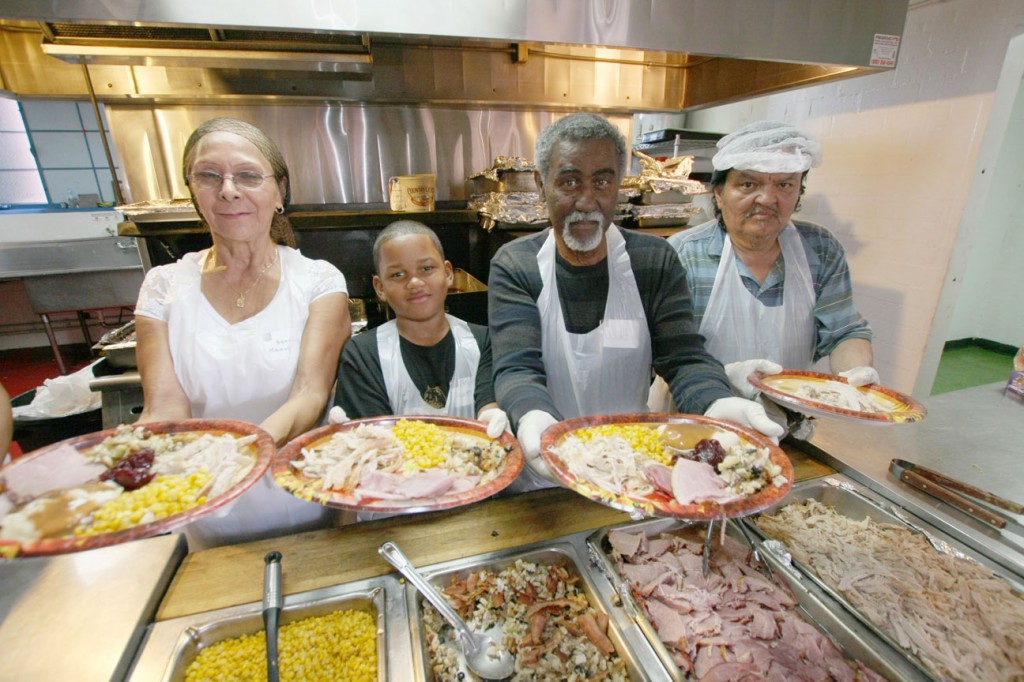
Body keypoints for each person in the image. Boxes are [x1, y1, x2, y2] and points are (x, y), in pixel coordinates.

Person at [488, 112, 783, 490]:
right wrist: (533, 419)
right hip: (544, 471)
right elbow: (517, 368)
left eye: (602, 181)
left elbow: (684, 357)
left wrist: (716, 403)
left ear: (619, 185)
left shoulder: (652, 260)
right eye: (569, 181)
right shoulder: (517, 265)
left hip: (631, 472)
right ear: (540, 184)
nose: (587, 200)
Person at [134, 117, 351, 549]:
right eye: (210, 176)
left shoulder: (318, 281)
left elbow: (309, 395)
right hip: (208, 506)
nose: (229, 190)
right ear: (193, 191)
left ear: (280, 191)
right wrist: (132, 460)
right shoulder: (164, 286)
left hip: (301, 494)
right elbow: (164, 406)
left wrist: (241, 455)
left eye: (248, 175)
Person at [666, 121, 876, 434]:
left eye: (784, 185)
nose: (767, 199)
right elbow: (667, 353)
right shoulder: (683, 254)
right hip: (700, 423)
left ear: (799, 192)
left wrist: (855, 375)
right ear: (720, 193)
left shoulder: (820, 249)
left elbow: (844, 331)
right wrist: (725, 376)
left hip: (785, 427)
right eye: (748, 185)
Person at [331, 220, 508, 437]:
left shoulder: (484, 341)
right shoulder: (362, 355)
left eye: (426, 269)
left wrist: (493, 419)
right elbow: (375, 441)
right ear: (380, 287)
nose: (414, 282)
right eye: (397, 274)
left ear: (448, 273)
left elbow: (488, 408)